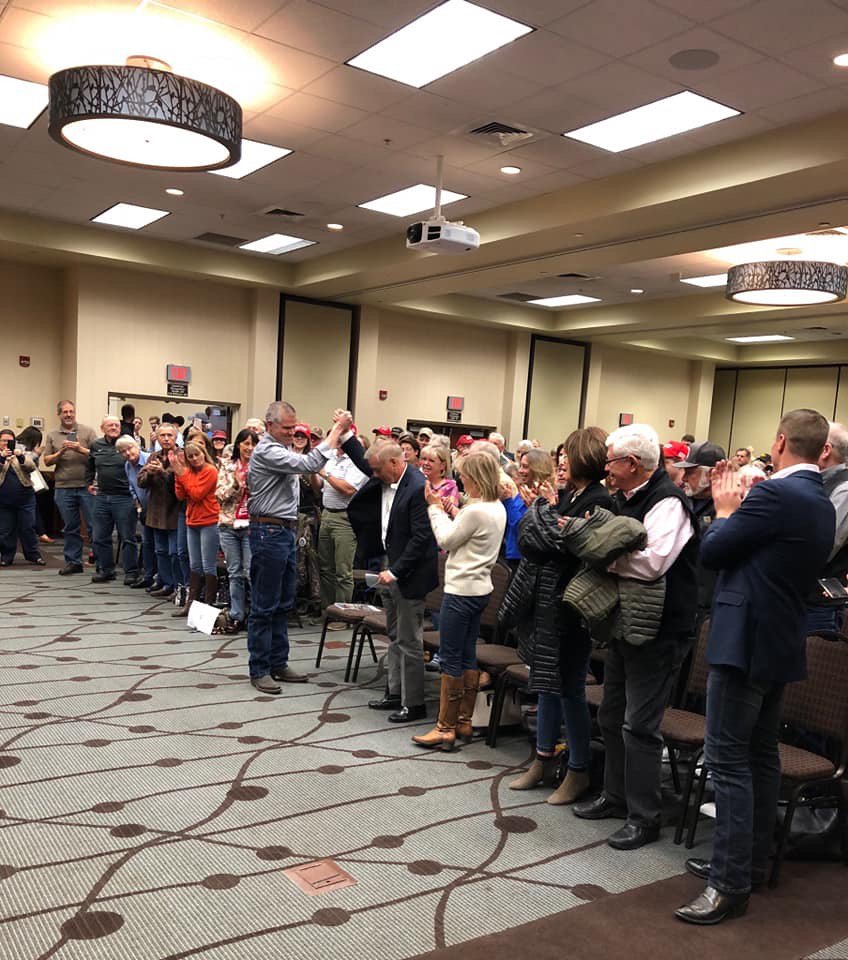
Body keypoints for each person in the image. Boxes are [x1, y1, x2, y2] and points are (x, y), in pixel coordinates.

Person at [675, 409, 835, 925]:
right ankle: (750, 863)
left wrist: (725, 511)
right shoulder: (821, 499)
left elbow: (715, 552)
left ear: (780, 441)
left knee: (728, 761)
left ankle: (729, 884)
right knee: (761, 757)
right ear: (822, 450)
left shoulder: (774, 495)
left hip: (743, 642)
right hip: (779, 639)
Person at [574, 423, 697, 850]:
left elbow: (651, 564)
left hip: (662, 632)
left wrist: (604, 560)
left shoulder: (668, 502)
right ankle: (615, 797)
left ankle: (645, 817)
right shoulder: (626, 498)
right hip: (628, 624)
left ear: (631, 463)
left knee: (640, 726)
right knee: (612, 716)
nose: (605, 468)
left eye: (610, 461)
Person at [508, 428, 614, 803]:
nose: (561, 460)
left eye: (567, 454)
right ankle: (543, 759)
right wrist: (545, 513)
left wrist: (545, 515)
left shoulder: (600, 500)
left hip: (574, 607)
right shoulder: (569, 495)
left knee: (570, 690)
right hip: (550, 603)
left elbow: (565, 545)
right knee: (546, 685)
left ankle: (578, 770)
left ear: (585, 457)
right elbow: (532, 539)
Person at [340, 418, 439, 724]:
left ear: (396, 463)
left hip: (408, 574)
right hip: (388, 567)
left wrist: (395, 571)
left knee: (409, 640)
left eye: (378, 470)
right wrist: (344, 433)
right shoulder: (384, 473)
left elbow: (422, 539)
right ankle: (395, 693)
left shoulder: (417, 487)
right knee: (394, 636)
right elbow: (366, 461)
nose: (373, 475)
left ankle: (414, 703)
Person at [246, 401, 346, 695]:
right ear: (270, 425)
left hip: (284, 530)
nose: (293, 432)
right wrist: (337, 430)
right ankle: (260, 669)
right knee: (265, 604)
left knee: (283, 602)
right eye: (287, 428)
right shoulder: (268, 451)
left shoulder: (283, 449)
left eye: (294, 427)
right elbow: (310, 464)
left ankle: (278, 663)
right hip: (269, 531)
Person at [412, 451, 506, 750]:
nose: (461, 479)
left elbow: (446, 540)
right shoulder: (495, 507)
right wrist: (453, 512)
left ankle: (445, 727)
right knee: (466, 655)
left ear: (476, 477)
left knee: (451, 657)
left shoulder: (475, 511)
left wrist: (434, 508)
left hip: (462, 590)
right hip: (480, 590)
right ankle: (463, 720)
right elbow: (468, 533)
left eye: (464, 474)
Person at [42, 401, 97, 575]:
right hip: (63, 487)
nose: (68, 415)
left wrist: (80, 449)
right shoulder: (52, 435)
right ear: (59, 414)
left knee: (94, 525)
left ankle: (101, 561)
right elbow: (47, 461)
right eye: (65, 412)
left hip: (86, 486)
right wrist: (61, 452)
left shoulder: (88, 431)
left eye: (71, 411)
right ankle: (74, 562)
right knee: (70, 527)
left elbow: (98, 454)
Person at [316, 443, 368, 626]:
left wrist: (324, 474)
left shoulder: (356, 461)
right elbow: (319, 486)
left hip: (345, 518)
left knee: (343, 571)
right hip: (327, 513)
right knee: (325, 568)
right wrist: (314, 473)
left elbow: (347, 489)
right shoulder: (330, 457)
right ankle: (328, 611)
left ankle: (343, 617)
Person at [805, 420, 848, 637]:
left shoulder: (844, 490)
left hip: (819, 604)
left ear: (825, 450)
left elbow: (824, 547)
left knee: (811, 658)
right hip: (801, 597)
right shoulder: (815, 482)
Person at [86, 416, 139, 585]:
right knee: (100, 536)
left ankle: (131, 572)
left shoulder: (127, 443)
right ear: (102, 428)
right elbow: (90, 465)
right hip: (102, 496)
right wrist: (88, 483)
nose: (114, 427)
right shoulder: (96, 445)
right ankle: (106, 570)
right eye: (110, 425)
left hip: (124, 497)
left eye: (117, 425)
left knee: (127, 537)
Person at [678, 441, 727, 620]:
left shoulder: (729, 508)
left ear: (711, 473)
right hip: (683, 597)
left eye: (690, 472)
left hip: (709, 604)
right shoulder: (682, 500)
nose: (683, 478)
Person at [216, 429, 258, 633]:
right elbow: (219, 495)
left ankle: (256, 614)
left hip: (252, 525)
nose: (249, 448)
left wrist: (251, 487)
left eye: (253, 444)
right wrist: (236, 485)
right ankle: (236, 615)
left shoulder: (260, 466)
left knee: (251, 572)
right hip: (229, 525)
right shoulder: (227, 465)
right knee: (234, 573)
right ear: (238, 445)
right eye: (246, 443)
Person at [173, 441, 220, 616]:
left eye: (196, 454)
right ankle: (191, 603)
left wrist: (182, 476)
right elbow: (180, 495)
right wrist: (179, 476)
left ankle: (208, 605)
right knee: (194, 564)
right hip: (192, 521)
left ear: (203, 453)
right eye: (190, 456)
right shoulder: (188, 472)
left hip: (209, 520)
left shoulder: (210, 470)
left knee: (208, 566)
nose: (194, 459)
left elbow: (197, 494)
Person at [137, 422, 181, 600]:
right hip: (155, 511)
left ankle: (178, 586)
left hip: (174, 511)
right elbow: (141, 482)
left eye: (170, 435)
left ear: (176, 437)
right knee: (160, 551)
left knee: (174, 552)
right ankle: (166, 583)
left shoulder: (181, 456)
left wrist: (162, 472)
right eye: (162, 435)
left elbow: (179, 482)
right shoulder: (153, 456)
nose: (166, 439)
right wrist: (149, 472)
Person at [116, 436, 156, 589]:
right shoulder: (127, 465)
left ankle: (160, 578)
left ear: (137, 446)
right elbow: (132, 487)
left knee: (160, 546)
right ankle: (148, 576)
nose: (127, 453)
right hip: (144, 509)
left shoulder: (150, 459)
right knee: (147, 543)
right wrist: (138, 506)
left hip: (157, 509)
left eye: (130, 448)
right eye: (123, 451)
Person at [0, 429, 44, 566]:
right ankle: (6, 557)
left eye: (10, 441)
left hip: (25, 498)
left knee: (28, 527)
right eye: (3, 440)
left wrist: (20, 457)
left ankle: (33, 555)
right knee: (6, 530)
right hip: (4, 500)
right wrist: (2, 458)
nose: (6, 443)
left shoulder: (22, 452)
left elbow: (31, 467)